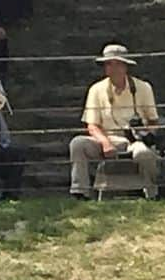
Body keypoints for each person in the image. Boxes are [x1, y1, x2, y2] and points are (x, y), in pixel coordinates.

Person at [68, 43, 160, 201]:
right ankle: (80, 191)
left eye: (117, 63)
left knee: (144, 154)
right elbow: (92, 125)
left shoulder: (143, 88)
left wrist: (146, 134)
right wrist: (105, 143)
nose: (113, 68)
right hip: (106, 138)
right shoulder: (96, 89)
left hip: (134, 140)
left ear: (126, 66)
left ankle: (152, 192)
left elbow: (153, 120)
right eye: (109, 64)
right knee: (78, 143)